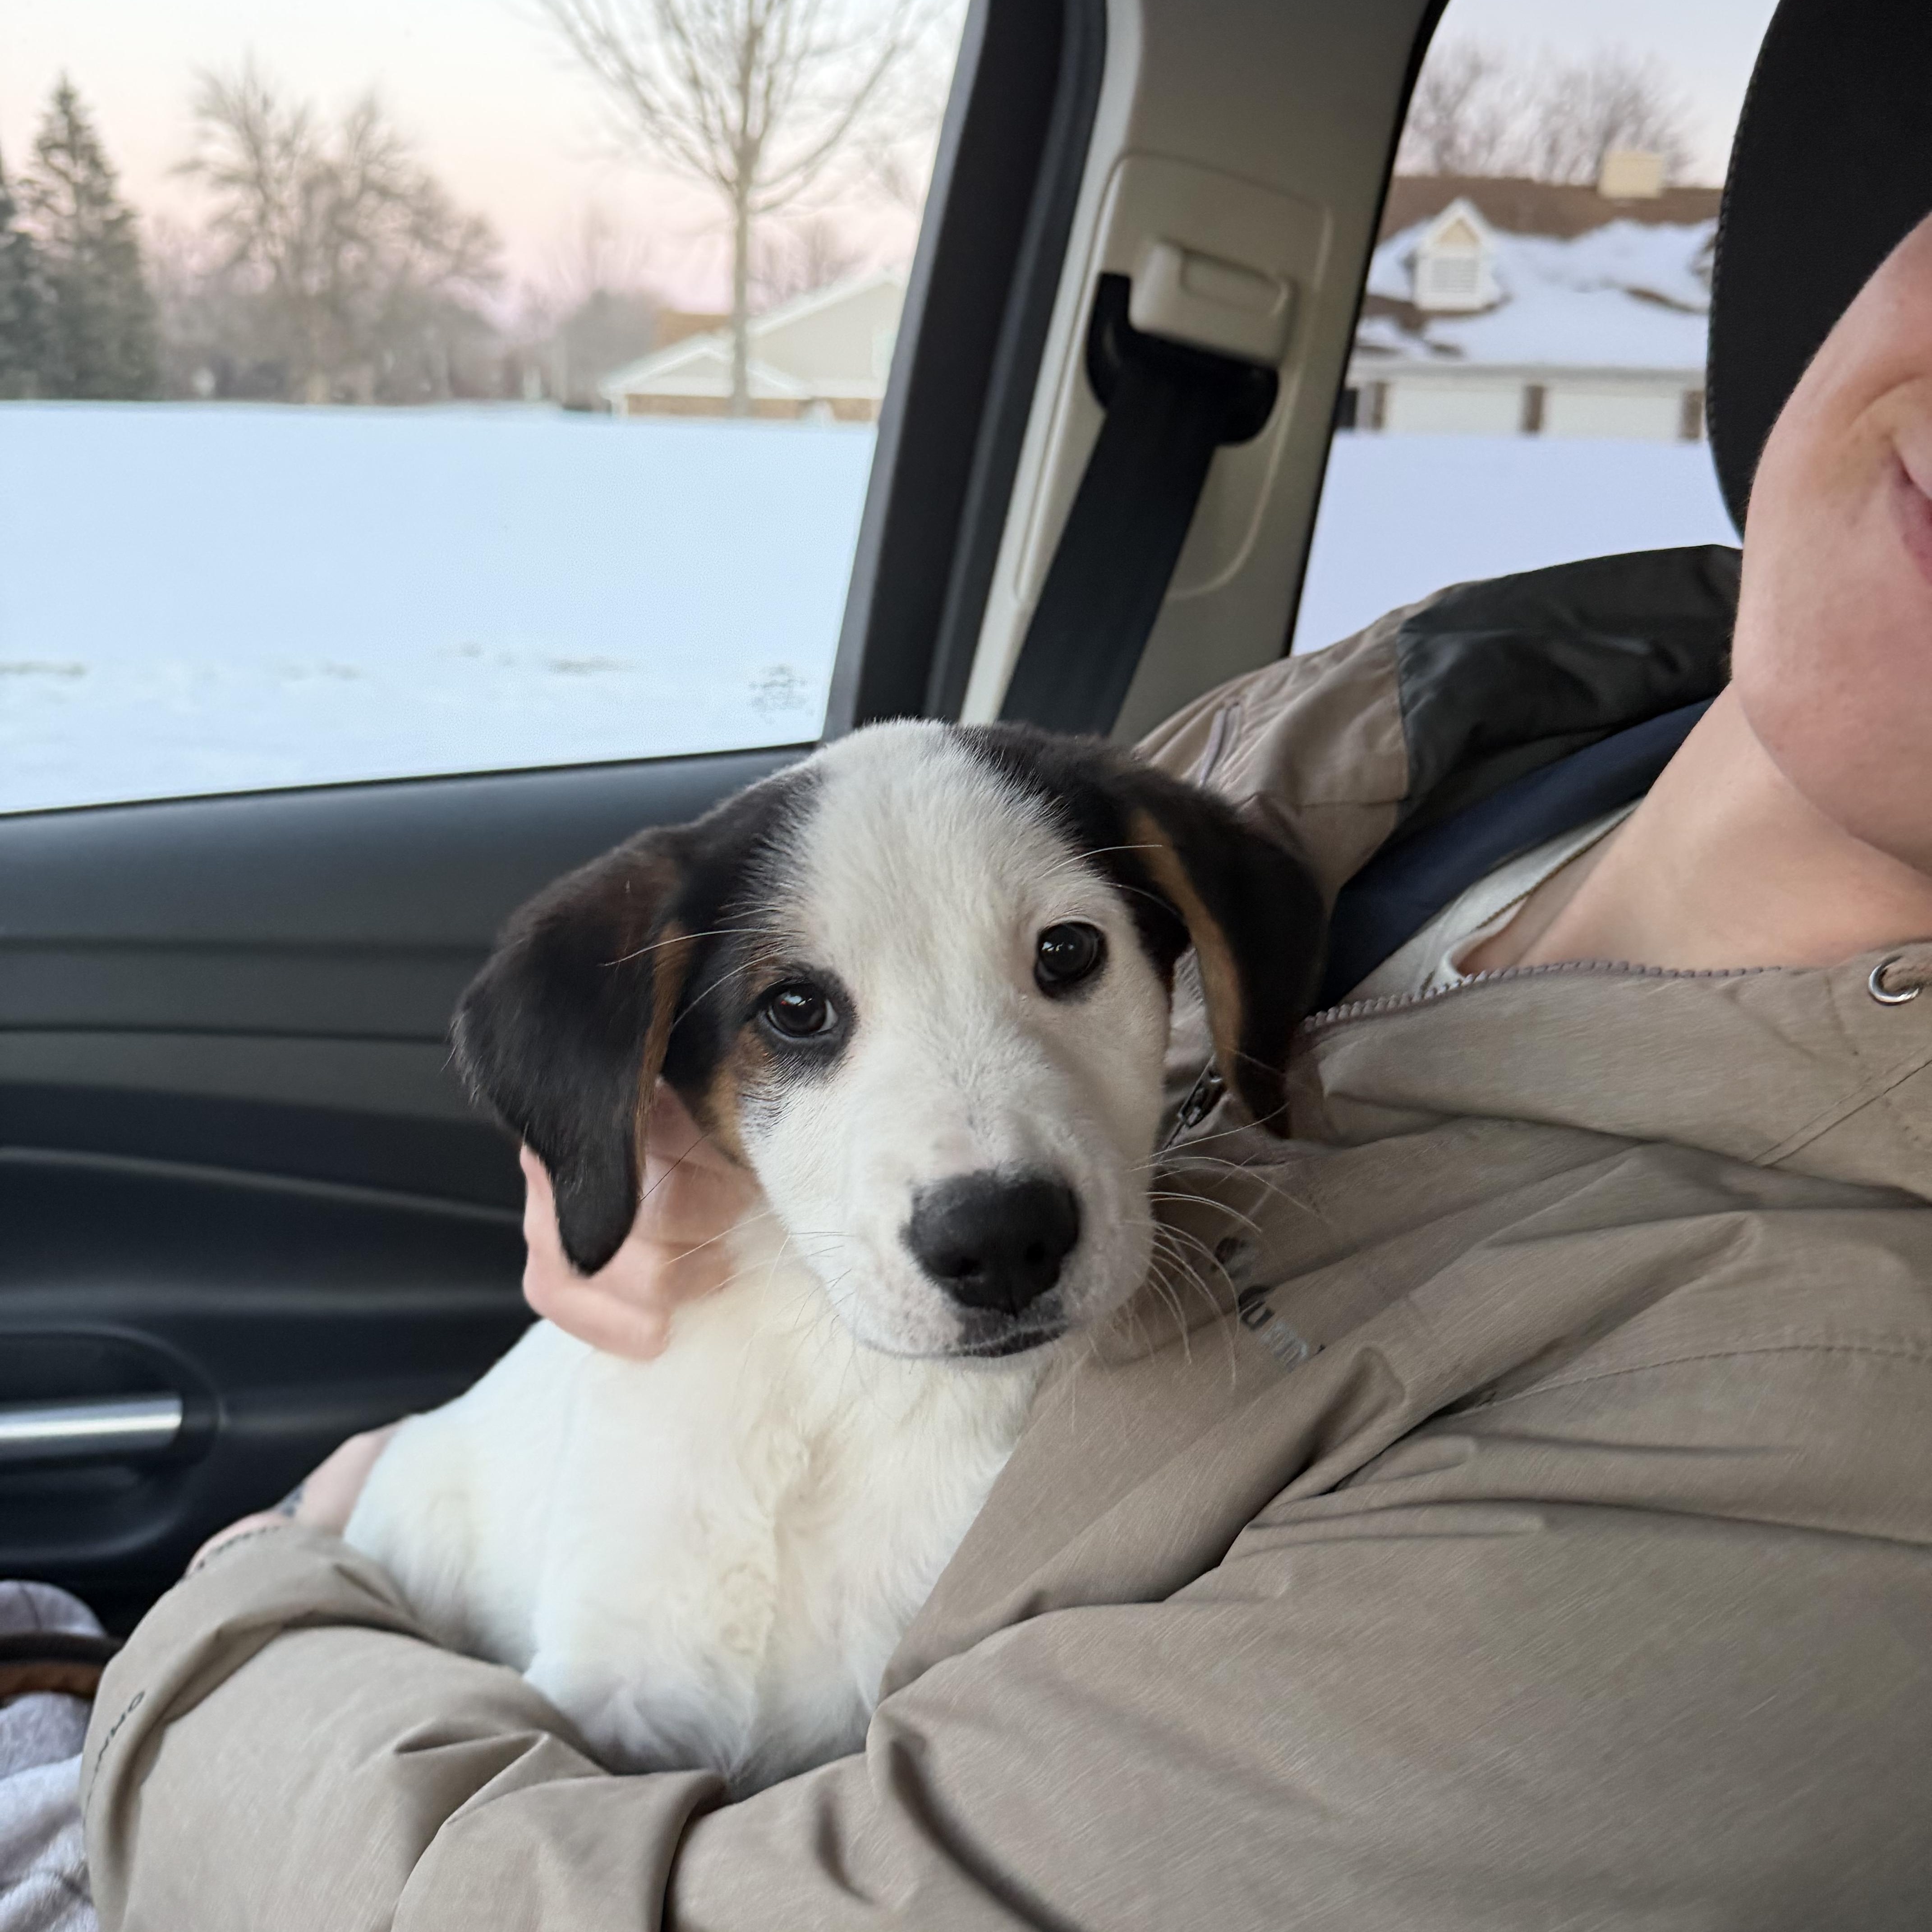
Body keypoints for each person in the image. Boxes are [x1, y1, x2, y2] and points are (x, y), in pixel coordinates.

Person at [75, 175, 1932, 1932]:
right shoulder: (1420, 713)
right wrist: (627, 1153)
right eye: (798, 1013)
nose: (986, 1142)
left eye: (1064, 963)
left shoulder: (1817, 1417)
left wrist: (257, 1580)